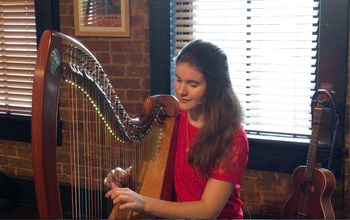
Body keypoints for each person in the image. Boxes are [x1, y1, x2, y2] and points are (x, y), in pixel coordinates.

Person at [104, 39, 249, 219]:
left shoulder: (232, 137)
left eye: (193, 84)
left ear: (216, 87)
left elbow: (207, 211)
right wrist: (128, 173)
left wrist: (144, 202)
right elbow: (170, 162)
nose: (181, 90)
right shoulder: (174, 115)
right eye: (178, 80)